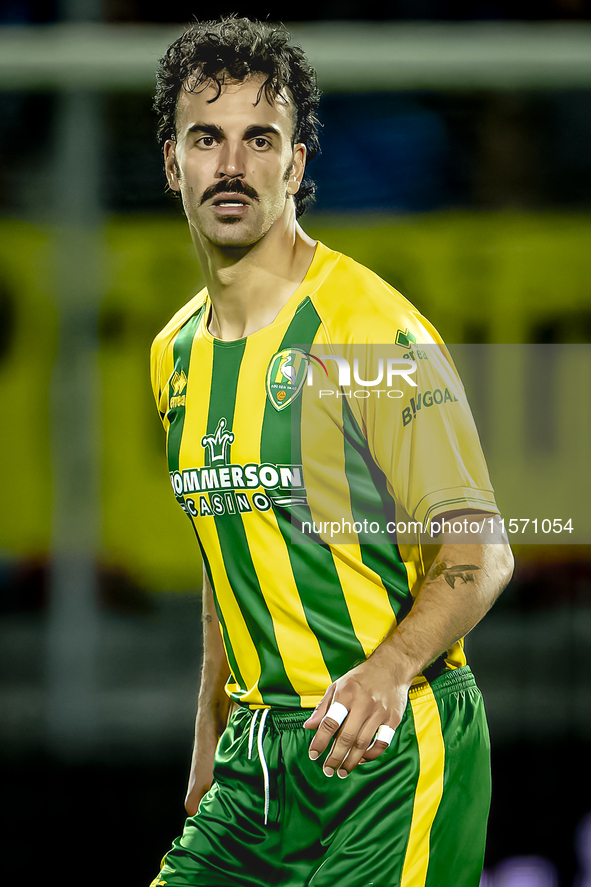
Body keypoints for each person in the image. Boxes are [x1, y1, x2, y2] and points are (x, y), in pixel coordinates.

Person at [149, 16, 513, 887]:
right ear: (172, 162)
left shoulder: (367, 329)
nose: (231, 165)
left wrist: (387, 668)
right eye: (207, 138)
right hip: (257, 773)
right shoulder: (175, 352)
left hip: (392, 751)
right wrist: (208, 732)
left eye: (258, 140)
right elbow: (229, 546)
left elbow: (481, 549)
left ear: (297, 165)